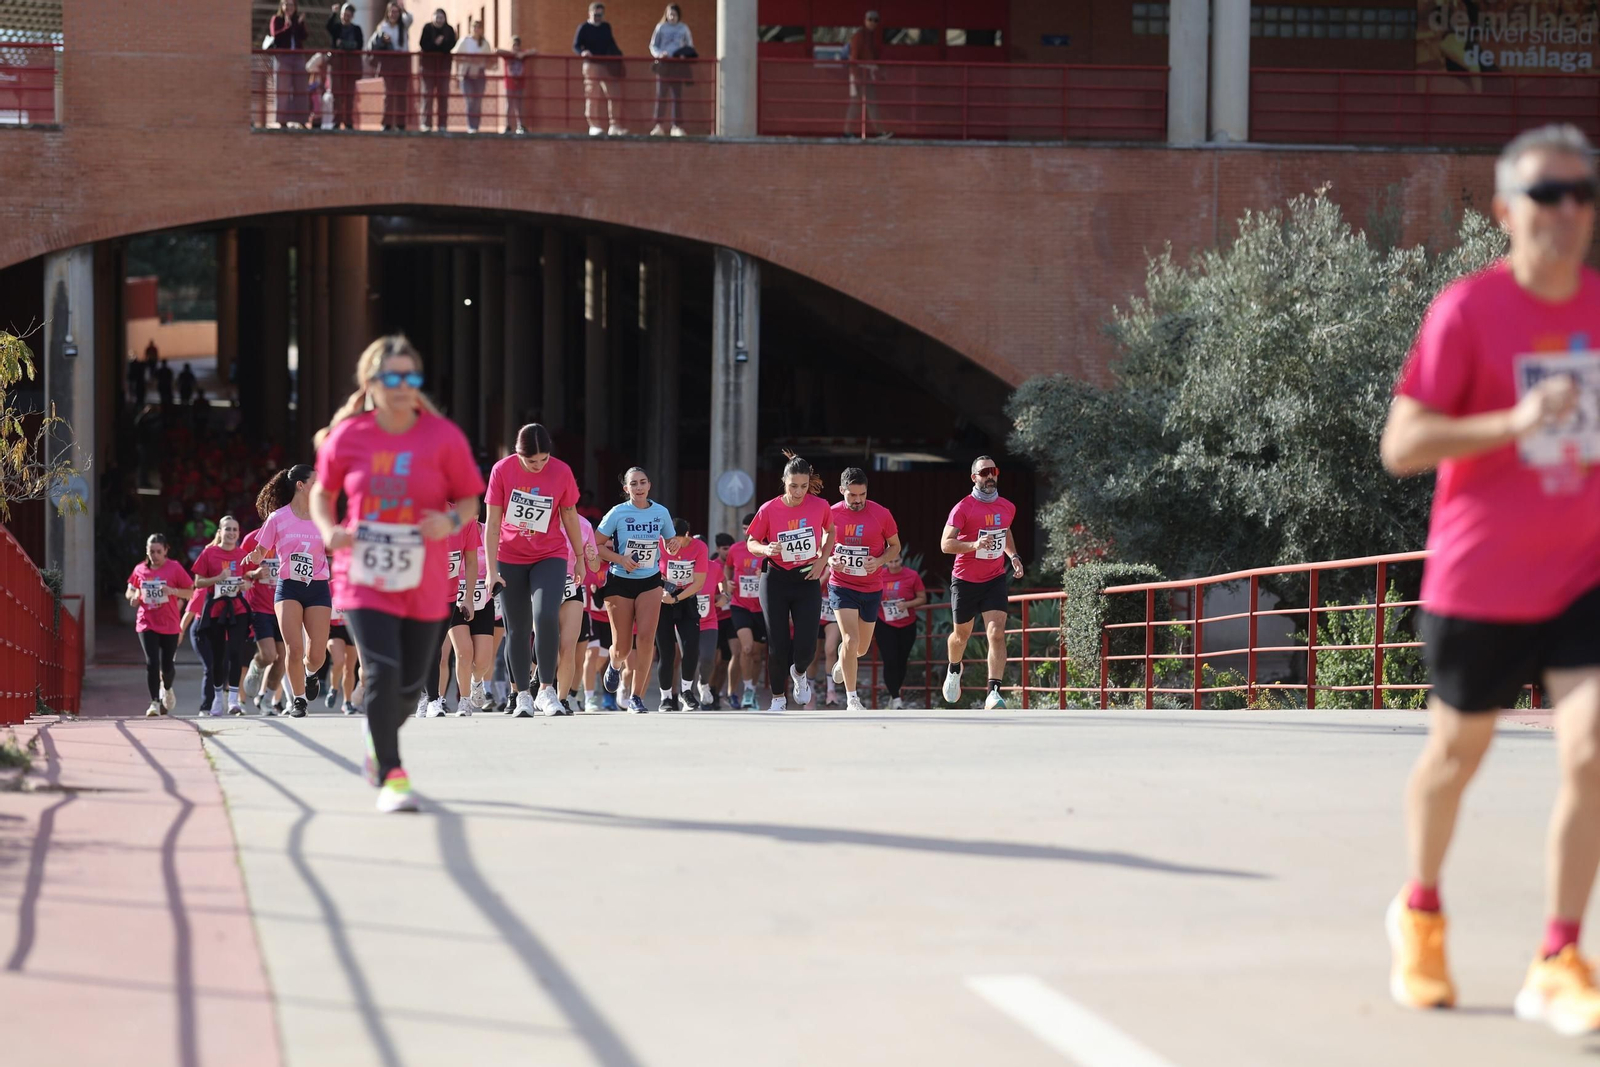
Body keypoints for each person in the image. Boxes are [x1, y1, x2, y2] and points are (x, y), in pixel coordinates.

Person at [1379, 124, 1600, 1031]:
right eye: (1549, 195)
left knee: (1590, 750)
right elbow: (1402, 446)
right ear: (1508, 210)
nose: (1570, 211)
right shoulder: (1467, 310)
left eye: (1585, 193)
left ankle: (1559, 954)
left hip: (1584, 573)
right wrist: (1513, 420)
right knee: (1454, 759)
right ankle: (1420, 910)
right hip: (1481, 581)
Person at [312, 334, 484, 813]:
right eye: (394, 377)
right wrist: (330, 530)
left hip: (425, 580)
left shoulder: (441, 436)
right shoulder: (350, 436)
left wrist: (448, 522)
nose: (405, 386)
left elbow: (471, 499)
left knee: (410, 688)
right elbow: (322, 495)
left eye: (413, 377)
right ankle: (392, 773)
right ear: (371, 382)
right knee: (383, 670)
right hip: (365, 574)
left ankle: (376, 730)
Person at [484, 423, 588, 717]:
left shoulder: (562, 471)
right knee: (516, 628)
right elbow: (492, 524)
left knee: (545, 616)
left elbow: (569, 513)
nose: (538, 466)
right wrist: (491, 570)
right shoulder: (501, 471)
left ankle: (546, 689)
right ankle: (521, 696)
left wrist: (579, 556)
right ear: (518, 454)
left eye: (543, 460)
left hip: (550, 554)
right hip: (509, 556)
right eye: (531, 461)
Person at [746, 452, 834, 713]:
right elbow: (751, 542)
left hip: (807, 577)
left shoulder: (820, 506)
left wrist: (823, 560)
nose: (798, 492)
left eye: (804, 486)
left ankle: (799, 672)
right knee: (777, 642)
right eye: (793, 486)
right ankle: (778, 699)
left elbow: (831, 532)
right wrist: (766, 550)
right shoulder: (769, 509)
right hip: (775, 579)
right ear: (784, 482)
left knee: (807, 646)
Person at [247, 464, 333, 718]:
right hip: (288, 588)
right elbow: (260, 551)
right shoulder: (278, 518)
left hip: (317, 587)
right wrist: (254, 556)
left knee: (316, 655)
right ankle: (298, 700)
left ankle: (310, 674)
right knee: (293, 648)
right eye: (315, 482)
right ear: (301, 485)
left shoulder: (323, 516)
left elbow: (333, 546)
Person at [940, 456, 1024, 710]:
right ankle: (954, 669)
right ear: (974, 477)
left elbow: (1005, 531)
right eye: (984, 472)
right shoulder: (963, 508)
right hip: (965, 581)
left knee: (997, 634)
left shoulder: (1007, 506)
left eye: (993, 471)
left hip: (994, 578)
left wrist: (1014, 556)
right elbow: (945, 544)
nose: (990, 476)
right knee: (960, 636)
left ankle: (994, 693)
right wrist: (973, 545)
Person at [596, 467, 674, 713]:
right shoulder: (617, 513)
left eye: (642, 482)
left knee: (647, 641)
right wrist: (620, 559)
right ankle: (615, 664)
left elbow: (670, 544)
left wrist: (671, 545)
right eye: (633, 484)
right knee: (623, 647)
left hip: (650, 581)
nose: (638, 487)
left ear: (649, 484)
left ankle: (636, 698)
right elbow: (597, 545)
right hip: (620, 581)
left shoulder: (661, 513)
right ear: (626, 488)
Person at [827, 467, 901, 712]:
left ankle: (843, 655)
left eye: (862, 495)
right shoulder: (830, 514)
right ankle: (852, 699)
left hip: (871, 587)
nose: (858, 500)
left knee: (860, 648)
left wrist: (879, 561)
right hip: (841, 585)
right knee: (850, 638)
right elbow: (820, 546)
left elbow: (895, 546)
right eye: (852, 496)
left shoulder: (881, 514)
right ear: (841, 491)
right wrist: (829, 560)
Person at [192, 515, 256, 716]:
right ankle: (218, 699)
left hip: (237, 609)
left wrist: (247, 584)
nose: (231, 533)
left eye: (235, 530)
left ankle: (234, 700)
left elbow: (248, 578)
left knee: (236, 653)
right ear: (220, 531)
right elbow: (198, 582)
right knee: (218, 656)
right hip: (216, 610)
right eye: (227, 529)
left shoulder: (242, 554)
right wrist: (217, 578)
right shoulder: (209, 553)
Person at [127, 533, 195, 716]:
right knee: (152, 662)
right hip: (146, 622)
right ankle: (154, 702)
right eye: (151, 552)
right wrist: (133, 597)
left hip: (170, 623)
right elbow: (130, 591)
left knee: (167, 667)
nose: (154, 555)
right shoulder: (140, 569)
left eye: (158, 551)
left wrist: (173, 591)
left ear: (166, 550)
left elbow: (190, 592)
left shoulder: (174, 568)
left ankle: (168, 688)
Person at [424, 504, 481, 716]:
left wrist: (468, 598)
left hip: (447, 595)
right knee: (424, 647)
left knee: (434, 647)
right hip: (419, 593)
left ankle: (431, 699)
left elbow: (472, 561)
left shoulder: (464, 519)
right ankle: (430, 698)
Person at [656, 518, 709, 710]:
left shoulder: (699, 547)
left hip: (686, 598)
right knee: (666, 652)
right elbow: (651, 571)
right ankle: (666, 698)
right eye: (668, 540)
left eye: (676, 540)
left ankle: (687, 691)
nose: (672, 545)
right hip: (663, 597)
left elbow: (699, 582)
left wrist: (677, 599)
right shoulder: (659, 544)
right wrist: (664, 590)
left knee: (691, 646)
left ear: (687, 536)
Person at [555, 507, 600, 713]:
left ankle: (563, 698)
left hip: (572, 588)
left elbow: (596, 565)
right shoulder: (544, 518)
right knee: (544, 644)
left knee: (569, 646)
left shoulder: (584, 525)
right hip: (543, 585)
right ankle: (535, 685)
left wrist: (591, 557)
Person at [239, 522, 286, 713]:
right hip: (260, 608)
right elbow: (238, 572)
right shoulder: (252, 539)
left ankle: (266, 700)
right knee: (268, 655)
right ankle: (257, 666)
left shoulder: (291, 536)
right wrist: (254, 574)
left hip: (284, 605)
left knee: (282, 658)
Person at [724, 512, 766, 708]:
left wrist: (764, 576)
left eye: (751, 528)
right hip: (740, 605)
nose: (748, 533)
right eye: (744, 529)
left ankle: (752, 689)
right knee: (746, 648)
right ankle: (747, 689)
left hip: (762, 608)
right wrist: (727, 583)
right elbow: (728, 568)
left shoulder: (766, 549)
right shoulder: (735, 549)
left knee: (757, 655)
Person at [876, 557, 927, 708]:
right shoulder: (879, 575)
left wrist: (907, 604)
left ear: (902, 560)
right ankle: (896, 697)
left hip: (907, 623)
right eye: (890, 561)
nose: (893, 564)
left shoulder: (912, 575)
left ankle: (895, 692)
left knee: (902, 660)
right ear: (885, 562)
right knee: (889, 659)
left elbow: (922, 598)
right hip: (884, 622)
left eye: (896, 561)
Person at [573, 2, 625, 136]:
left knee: (614, 94)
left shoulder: (606, 27)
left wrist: (618, 55)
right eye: (596, 15)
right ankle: (593, 125)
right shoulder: (584, 27)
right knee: (592, 95)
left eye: (600, 15)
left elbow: (611, 43)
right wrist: (583, 53)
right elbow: (576, 45)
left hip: (606, 64)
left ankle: (614, 125)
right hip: (591, 64)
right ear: (589, 14)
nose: (598, 17)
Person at [648, 4, 694, 137]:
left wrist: (685, 54)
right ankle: (659, 125)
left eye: (674, 14)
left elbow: (690, 45)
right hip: (664, 64)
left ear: (678, 15)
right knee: (661, 95)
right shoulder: (661, 27)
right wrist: (659, 54)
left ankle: (676, 126)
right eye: (670, 14)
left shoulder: (683, 28)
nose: (672, 17)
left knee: (677, 96)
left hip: (677, 65)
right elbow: (653, 45)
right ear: (666, 15)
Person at [845, 10, 890, 139]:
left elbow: (875, 57)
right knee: (856, 103)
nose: (872, 22)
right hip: (859, 75)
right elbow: (854, 58)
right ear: (865, 20)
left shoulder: (872, 38)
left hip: (867, 75)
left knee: (870, 103)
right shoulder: (859, 36)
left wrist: (881, 71)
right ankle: (847, 131)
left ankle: (879, 131)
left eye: (875, 20)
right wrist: (856, 77)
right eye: (870, 19)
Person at [268, 0, 310, 128]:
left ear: (295, 7)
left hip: (298, 57)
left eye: (291, 4)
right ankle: (282, 120)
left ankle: (302, 120)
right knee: (282, 89)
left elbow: (304, 36)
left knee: (301, 88)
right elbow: (276, 35)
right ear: (282, 6)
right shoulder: (276, 19)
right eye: (286, 4)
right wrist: (287, 25)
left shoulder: (298, 20)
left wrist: (300, 24)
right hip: (283, 58)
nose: (288, 7)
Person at [367, 13, 409, 132]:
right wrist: (385, 41)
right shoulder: (382, 27)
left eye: (396, 12)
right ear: (387, 13)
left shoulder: (404, 26)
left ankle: (401, 123)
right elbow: (374, 43)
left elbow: (410, 18)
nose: (393, 14)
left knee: (401, 94)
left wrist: (403, 9)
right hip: (388, 62)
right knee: (389, 94)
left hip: (402, 61)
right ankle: (387, 123)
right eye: (391, 11)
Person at [327, 3, 364, 130]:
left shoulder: (357, 29)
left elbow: (359, 45)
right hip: (337, 65)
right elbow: (329, 27)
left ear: (352, 16)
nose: (345, 17)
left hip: (351, 67)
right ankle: (336, 121)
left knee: (349, 95)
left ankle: (348, 121)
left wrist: (343, 43)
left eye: (348, 15)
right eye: (343, 15)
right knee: (337, 94)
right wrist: (333, 14)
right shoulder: (336, 27)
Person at [418, 8, 457, 131]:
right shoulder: (427, 28)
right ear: (433, 18)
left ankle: (442, 124)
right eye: (437, 17)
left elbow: (451, 45)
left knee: (443, 95)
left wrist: (442, 43)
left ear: (445, 19)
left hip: (444, 67)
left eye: (441, 17)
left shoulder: (449, 30)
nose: (439, 20)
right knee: (427, 95)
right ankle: (426, 124)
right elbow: (424, 44)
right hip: (428, 67)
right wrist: (435, 43)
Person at [455, 19, 492, 134]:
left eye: (479, 27)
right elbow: (456, 56)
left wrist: (479, 61)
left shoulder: (485, 43)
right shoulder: (464, 41)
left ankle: (476, 126)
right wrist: (468, 60)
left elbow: (489, 61)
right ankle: (471, 126)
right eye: (474, 27)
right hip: (466, 73)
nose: (476, 29)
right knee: (469, 99)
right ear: (471, 28)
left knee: (478, 101)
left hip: (479, 73)